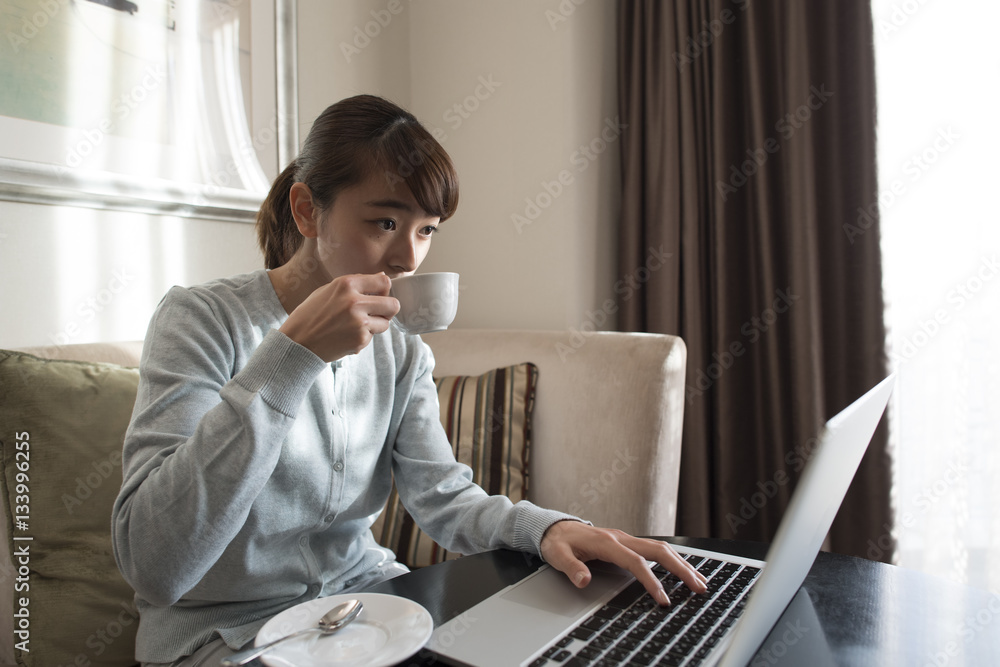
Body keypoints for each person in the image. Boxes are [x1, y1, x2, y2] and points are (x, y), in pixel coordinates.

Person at [111, 94, 707, 666]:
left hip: (367, 612)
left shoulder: (399, 347)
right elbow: (155, 565)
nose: (408, 258)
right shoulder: (200, 321)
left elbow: (442, 497)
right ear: (305, 210)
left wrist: (550, 528)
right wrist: (292, 356)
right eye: (386, 222)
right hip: (225, 637)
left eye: (427, 229)